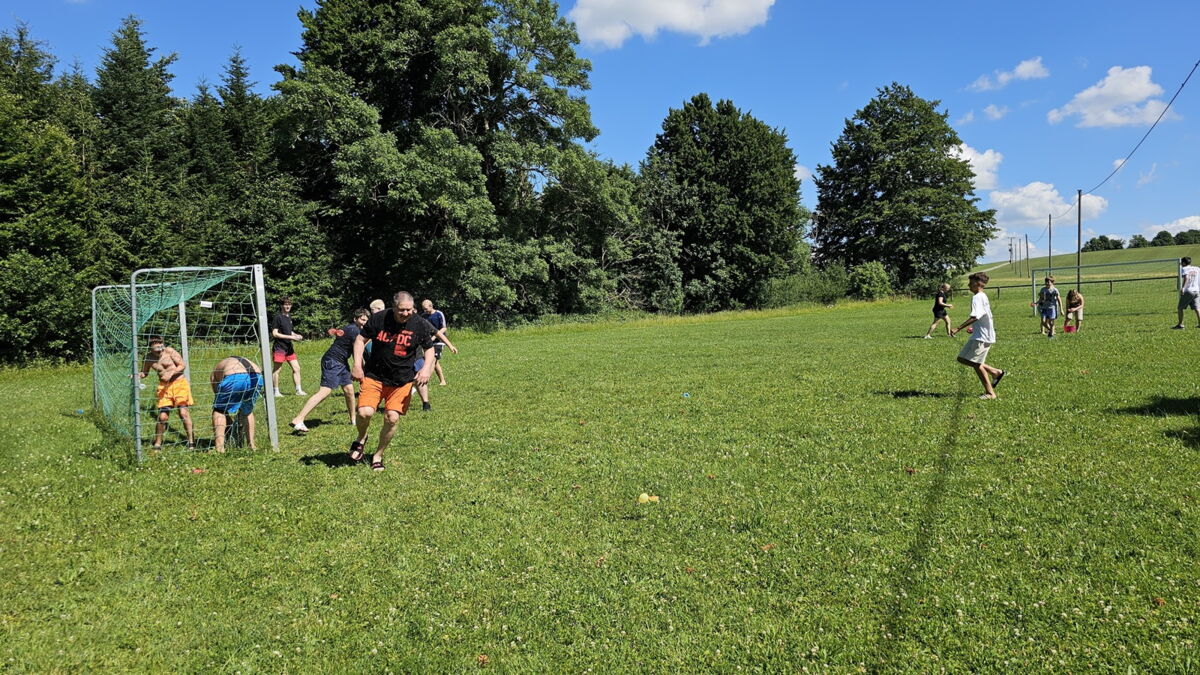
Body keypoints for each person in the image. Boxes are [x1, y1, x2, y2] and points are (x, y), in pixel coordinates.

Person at [349, 291, 437, 471]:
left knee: (392, 417)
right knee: (364, 413)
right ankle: (362, 437)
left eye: (409, 310)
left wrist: (426, 368)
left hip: (401, 380)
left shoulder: (419, 323)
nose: (406, 313)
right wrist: (357, 365)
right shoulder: (379, 318)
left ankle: (377, 455)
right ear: (394, 307)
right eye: (401, 310)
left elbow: (429, 348)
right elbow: (360, 340)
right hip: (374, 375)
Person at [289, 308, 370, 432]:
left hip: (341, 362)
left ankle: (353, 420)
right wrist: (360, 368)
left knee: (349, 390)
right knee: (325, 391)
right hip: (333, 361)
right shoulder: (354, 330)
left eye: (366, 320)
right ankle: (298, 419)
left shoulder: (352, 328)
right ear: (355, 319)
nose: (364, 322)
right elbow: (357, 352)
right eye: (362, 319)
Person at [950, 272, 1006, 400]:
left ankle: (990, 393)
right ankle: (995, 372)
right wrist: (974, 327)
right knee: (962, 358)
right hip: (979, 334)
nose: (969, 285)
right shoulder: (981, 296)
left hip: (982, 337)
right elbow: (982, 316)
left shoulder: (978, 297)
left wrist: (958, 328)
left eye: (971, 283)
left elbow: (975, 316)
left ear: (978, 283)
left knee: (976, 363)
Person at [139, 336, 195, 450]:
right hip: (164, 387)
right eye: (156, 348)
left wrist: (171, 373)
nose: (160, 349)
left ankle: (191, 442)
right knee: (162, 417)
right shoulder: (148, 358)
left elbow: (182, 365)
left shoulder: (169, 351)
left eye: (161, 346)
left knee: (183, 413)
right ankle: (157, 443)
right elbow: (144, 373)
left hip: (179, 384)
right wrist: (136, 375)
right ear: (150, 348)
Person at [414, 299, 460, 411]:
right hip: (427, 342)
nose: (425, 311)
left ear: (431, 306)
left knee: (433, 359)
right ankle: (442, 380)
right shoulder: (423, 316)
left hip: (438, 342)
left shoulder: (438, 314)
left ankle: (425, 380)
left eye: (426, 308)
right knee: (434, 362)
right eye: (423, 309)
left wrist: (449, 345)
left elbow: (442, 329)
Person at [210, 356, 263, 452]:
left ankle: (219, 448)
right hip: (256, 376)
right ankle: (251, 445)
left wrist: (226, 415)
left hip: (234, 377)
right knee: (247, 411)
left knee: (219, 410)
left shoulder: (214, 373)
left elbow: (217, 396)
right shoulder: (230, 361)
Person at [270, 297, 306, 396]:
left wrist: (296, 335)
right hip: (279, 348)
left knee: (297, 368)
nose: (288, 306)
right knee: (277, 370)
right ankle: (276, 391)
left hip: (289, 348)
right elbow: (275, 333)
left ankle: (298, 390)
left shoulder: (289, 317)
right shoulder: (278, 317)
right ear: (281, 305)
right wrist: (291, 337)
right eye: (286, 304)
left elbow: (289, 331)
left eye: (289, 304)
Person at [1173, 256, 1200, 329]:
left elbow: (1186, 277)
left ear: (1184, 263)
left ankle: (1180, 324)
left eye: (1181, 263)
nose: (1181, 264)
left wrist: (1183, 288)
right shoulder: (1197, 268)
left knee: (1180, 308)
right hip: (1196, 291)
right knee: (1197, 308)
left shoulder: (1184, 269)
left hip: (1188, 290)